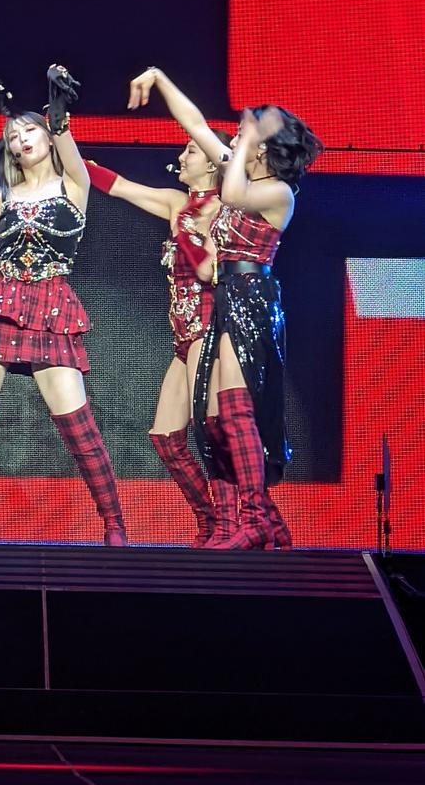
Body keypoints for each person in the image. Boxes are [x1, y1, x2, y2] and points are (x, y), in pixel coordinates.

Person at [0, 66, 127, 546]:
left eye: (29, 131)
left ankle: (114, 526)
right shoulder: (5, 192)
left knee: (79, 430)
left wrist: (58, 116)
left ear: (45, 135)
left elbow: (70, 151)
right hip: (0, 302)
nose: (20, 141)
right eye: (13, 137)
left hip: (50, 305)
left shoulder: (73, 184)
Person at [128, 67, 322, 549]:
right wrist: (161, 80)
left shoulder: (279, 192)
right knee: (220, 419)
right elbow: (195, 124)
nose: (235, 136)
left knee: (235, 414)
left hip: (251, 298)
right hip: (223, 299)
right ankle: (266, 521)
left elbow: (233, 194)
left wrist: (245, 141)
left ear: (263, 148)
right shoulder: (240, 167)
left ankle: (255, 519)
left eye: (245, 134)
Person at [83, 132, 234, 546]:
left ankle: (230, 525)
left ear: (213, 162)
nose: (181, 156)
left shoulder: (228, 211)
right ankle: (209, 521)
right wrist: (69, 152)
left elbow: (217, 273)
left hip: (209, 327)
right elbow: (120, 187)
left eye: (191, 151)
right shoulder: (175, 202)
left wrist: (196, 235)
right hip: (183, 336)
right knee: (166, 438)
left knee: (211, 430)